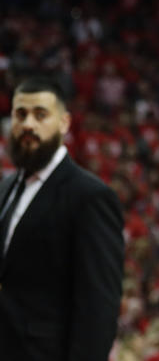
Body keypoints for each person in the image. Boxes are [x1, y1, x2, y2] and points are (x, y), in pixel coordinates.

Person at [0, 76, 125, 360]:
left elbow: (99, 308)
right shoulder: (5, 188)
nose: (28, 124)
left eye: (40, 115)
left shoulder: (90, 196)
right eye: (20, 114)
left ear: (64, 123)